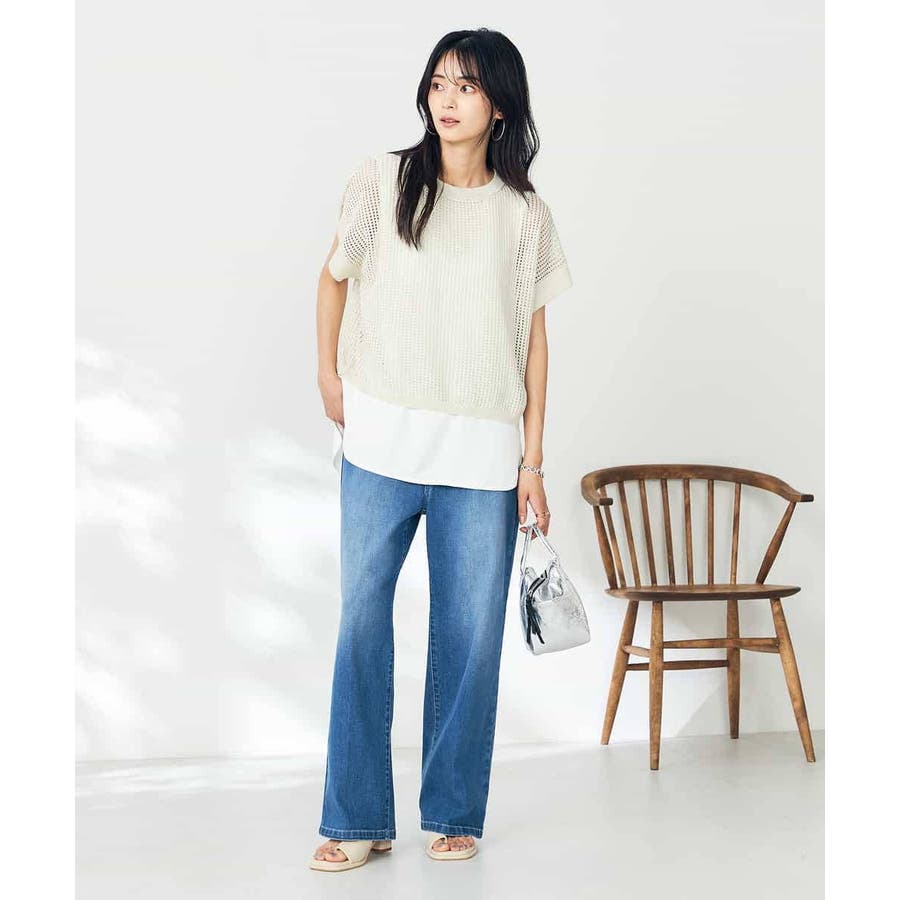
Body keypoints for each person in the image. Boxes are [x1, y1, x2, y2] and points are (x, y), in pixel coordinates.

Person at [311, 28, 573, 872]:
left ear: (500, 104)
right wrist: (328, 375)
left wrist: (533, 462)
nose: (447, 99)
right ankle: (356, 817)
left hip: (482, 458)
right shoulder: (382, 181)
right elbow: (334, 276)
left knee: (468, 640)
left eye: (466, 85)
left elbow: (533, 342)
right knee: (361, 623)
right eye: (437, 83)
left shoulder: (523, 215)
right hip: (380, 445)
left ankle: (452, 811)